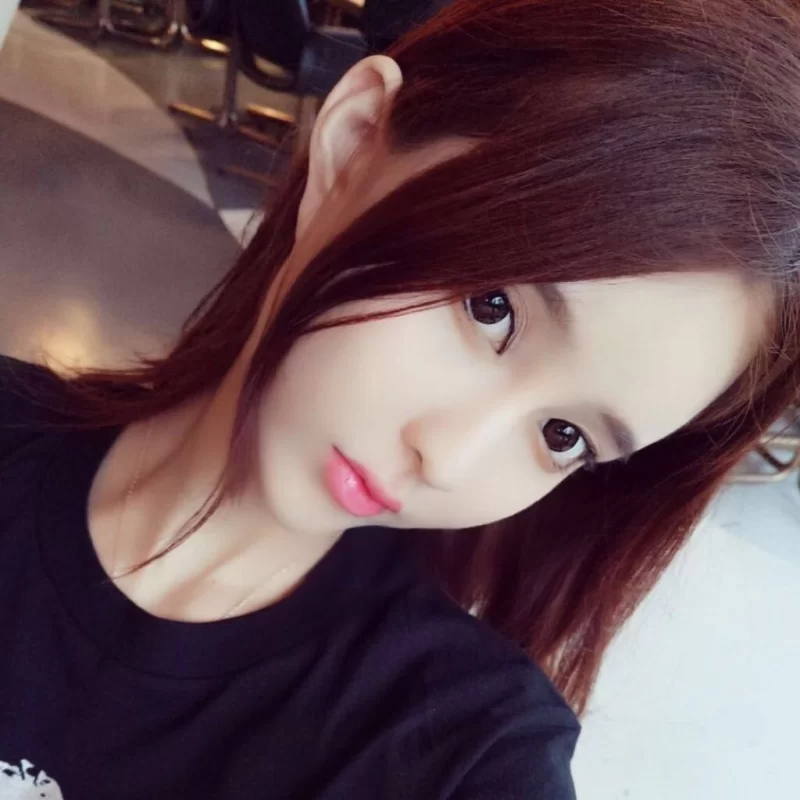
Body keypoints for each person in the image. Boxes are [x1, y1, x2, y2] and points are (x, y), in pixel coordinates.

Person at [2, 0, 800, 797]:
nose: (449, 460)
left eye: (564, 435)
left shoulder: (461, 753)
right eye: (492, 309)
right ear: (355, 146)